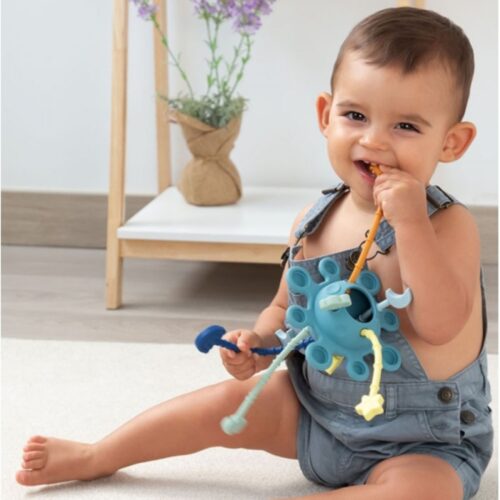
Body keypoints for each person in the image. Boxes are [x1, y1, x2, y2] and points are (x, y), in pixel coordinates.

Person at [16, 7, 492, 499]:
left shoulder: (447, 225)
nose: (373, 140)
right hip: (317, 417)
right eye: (355, 116)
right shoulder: (315, 219)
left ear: (451, 143)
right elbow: (286, 308)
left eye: (406, 126)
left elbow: (440, 325)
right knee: (224, 403)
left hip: (424, 443)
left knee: (423, 492)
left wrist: (410, 223)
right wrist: (258, 340)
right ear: (325, 115)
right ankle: (98, 454)